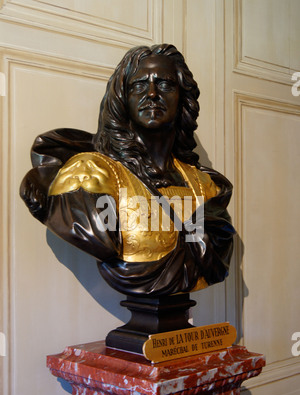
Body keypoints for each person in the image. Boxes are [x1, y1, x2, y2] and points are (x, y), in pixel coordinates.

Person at [20, 44, 235, 297]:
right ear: (122, 99)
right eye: (139, 85)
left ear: (182, 99)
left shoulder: (206, 186)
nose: (152, 94)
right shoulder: (91, 172)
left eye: (165, 84)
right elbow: (97, 238)